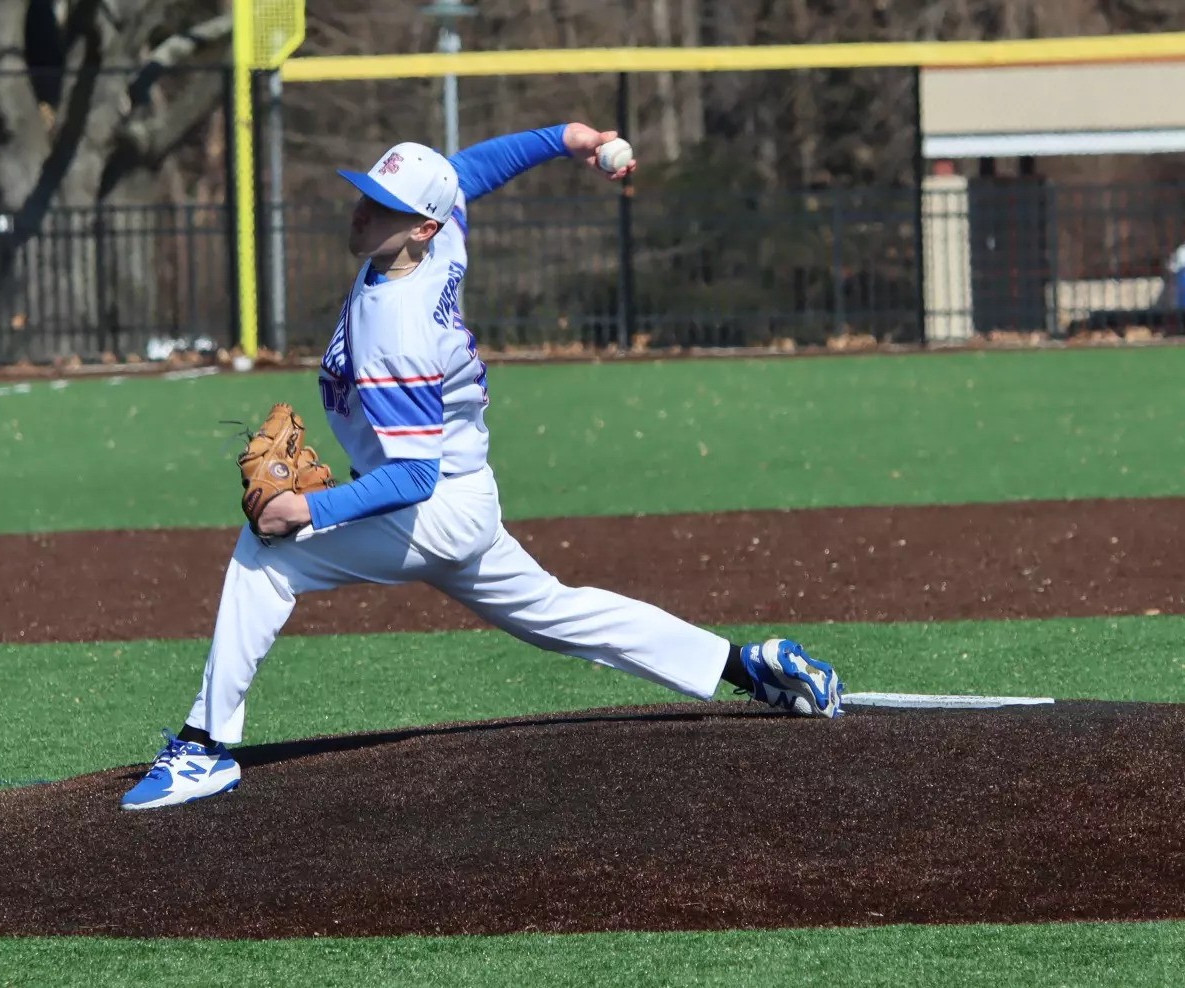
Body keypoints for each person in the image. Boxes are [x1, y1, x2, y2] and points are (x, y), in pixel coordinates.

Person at [122, 123, 844, 811]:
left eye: (386, 209)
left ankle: (203, 747)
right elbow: (466, 172)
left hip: (431, 508)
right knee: (559, 613)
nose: (364, 213)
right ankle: (749, 667)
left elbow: (412, 478)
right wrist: (569, 141)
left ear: (420, 228)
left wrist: (305, 511)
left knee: (267, 556)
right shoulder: (438, 244)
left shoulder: (395, 333)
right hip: (462, 497)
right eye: (368, 195)